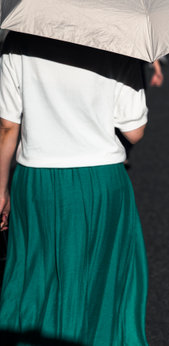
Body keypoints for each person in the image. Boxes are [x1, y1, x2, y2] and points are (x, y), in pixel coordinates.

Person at [0, 32, 149, 345]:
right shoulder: (119, 39)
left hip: (36, 177)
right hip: (101, 179)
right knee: (102, 282)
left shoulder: (19, 39)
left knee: (34, 278)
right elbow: (134, 131)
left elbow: (8, 126)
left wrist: (1, 189)